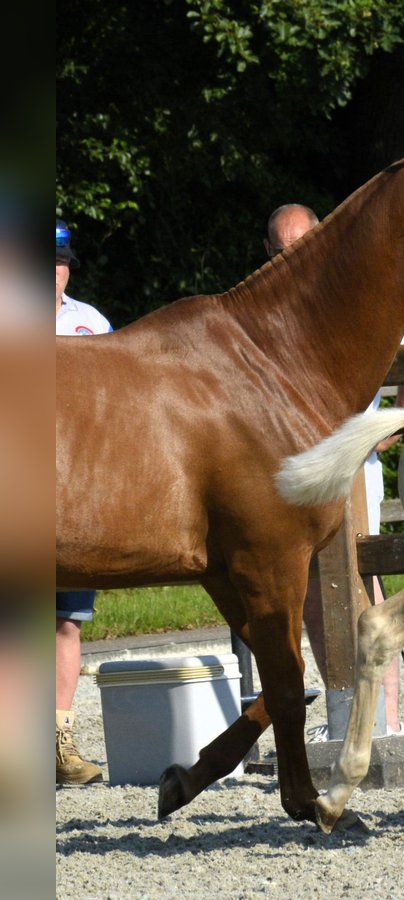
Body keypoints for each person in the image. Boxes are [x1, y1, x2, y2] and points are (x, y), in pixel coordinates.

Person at [264, 204, 404, 737]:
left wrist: (388, 431)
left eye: (303, 246)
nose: (294, 258)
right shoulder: (263, 315)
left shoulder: (357, 301)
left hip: (354, 469)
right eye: (283, 249)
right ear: (270, 254)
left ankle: (389, 723)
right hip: (290, 470)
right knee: (310, 592)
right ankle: (342, 716)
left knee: (366, 589)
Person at [55, 217, 112, 785]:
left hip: (79, 491)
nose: (52, 271)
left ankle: (58, 741)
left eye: (60, 261)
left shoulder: (91, 324)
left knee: (65, 622)